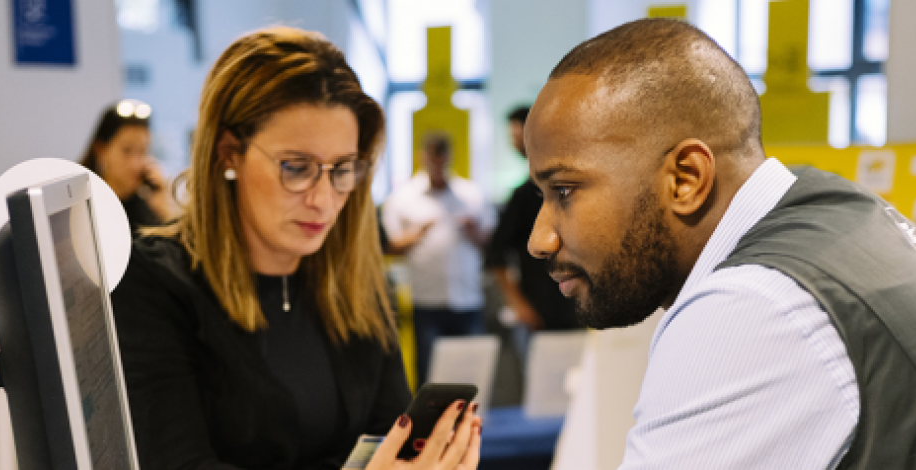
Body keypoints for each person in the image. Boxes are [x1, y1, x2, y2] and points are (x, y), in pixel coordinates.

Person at [524, 18, 916, 469]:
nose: (539, 239)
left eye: (564, 191)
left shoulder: (753, 306)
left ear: (685, 178)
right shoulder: (837, 212)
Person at [110, 27, 480, 469]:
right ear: (229, 153)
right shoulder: (152, 283)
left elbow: (389, 442)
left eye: (342, 169)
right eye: (296, 167)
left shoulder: (359, 286)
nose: (323, 199)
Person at [380, 133, 496, 385]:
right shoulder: (403, 197)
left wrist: (473, 231)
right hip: (427, 299)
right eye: (432, 157)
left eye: (441, 157)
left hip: (467, 298)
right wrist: (417, 232)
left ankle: (472, 411)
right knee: (429, 373)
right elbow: (389, 246)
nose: (437, 163)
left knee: (472, 371)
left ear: (448, 157)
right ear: (423, 157)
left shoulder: (471, 194)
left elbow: (490, 242)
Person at [486, 106, 579, 332]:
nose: (514, 143)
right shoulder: (523, 195)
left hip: (572, 306)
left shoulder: (570, 189)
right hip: (540, 308)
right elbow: (496, 256)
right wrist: (518, 303)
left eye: (517, 136)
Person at [79, 99, 172, 231]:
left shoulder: (145, 207)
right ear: (101, 150)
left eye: (143, 151)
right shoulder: (82, 206)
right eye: (127, 150)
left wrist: (162, 209)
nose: (136, 164)